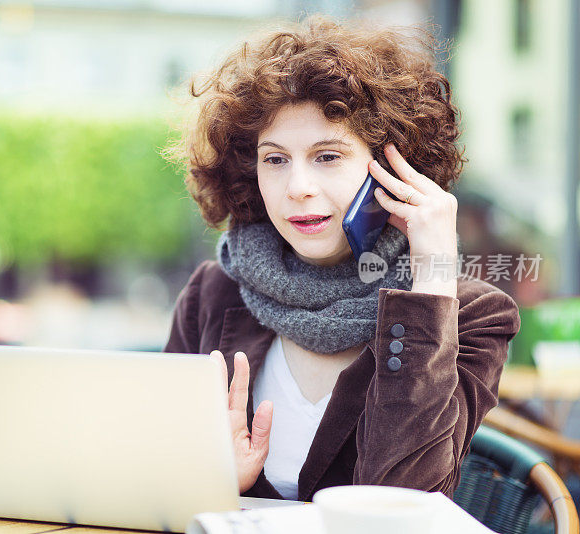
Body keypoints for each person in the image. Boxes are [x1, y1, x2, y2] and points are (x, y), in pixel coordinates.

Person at [163, 15, 520, 502]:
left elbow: (402, 501)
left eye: (327, 156)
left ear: (395, 171)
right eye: (275, 159)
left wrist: (432, 274)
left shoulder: (473, 315)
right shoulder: (212, 294)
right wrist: (215, 483)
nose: (298, 189)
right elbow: (157, 476)